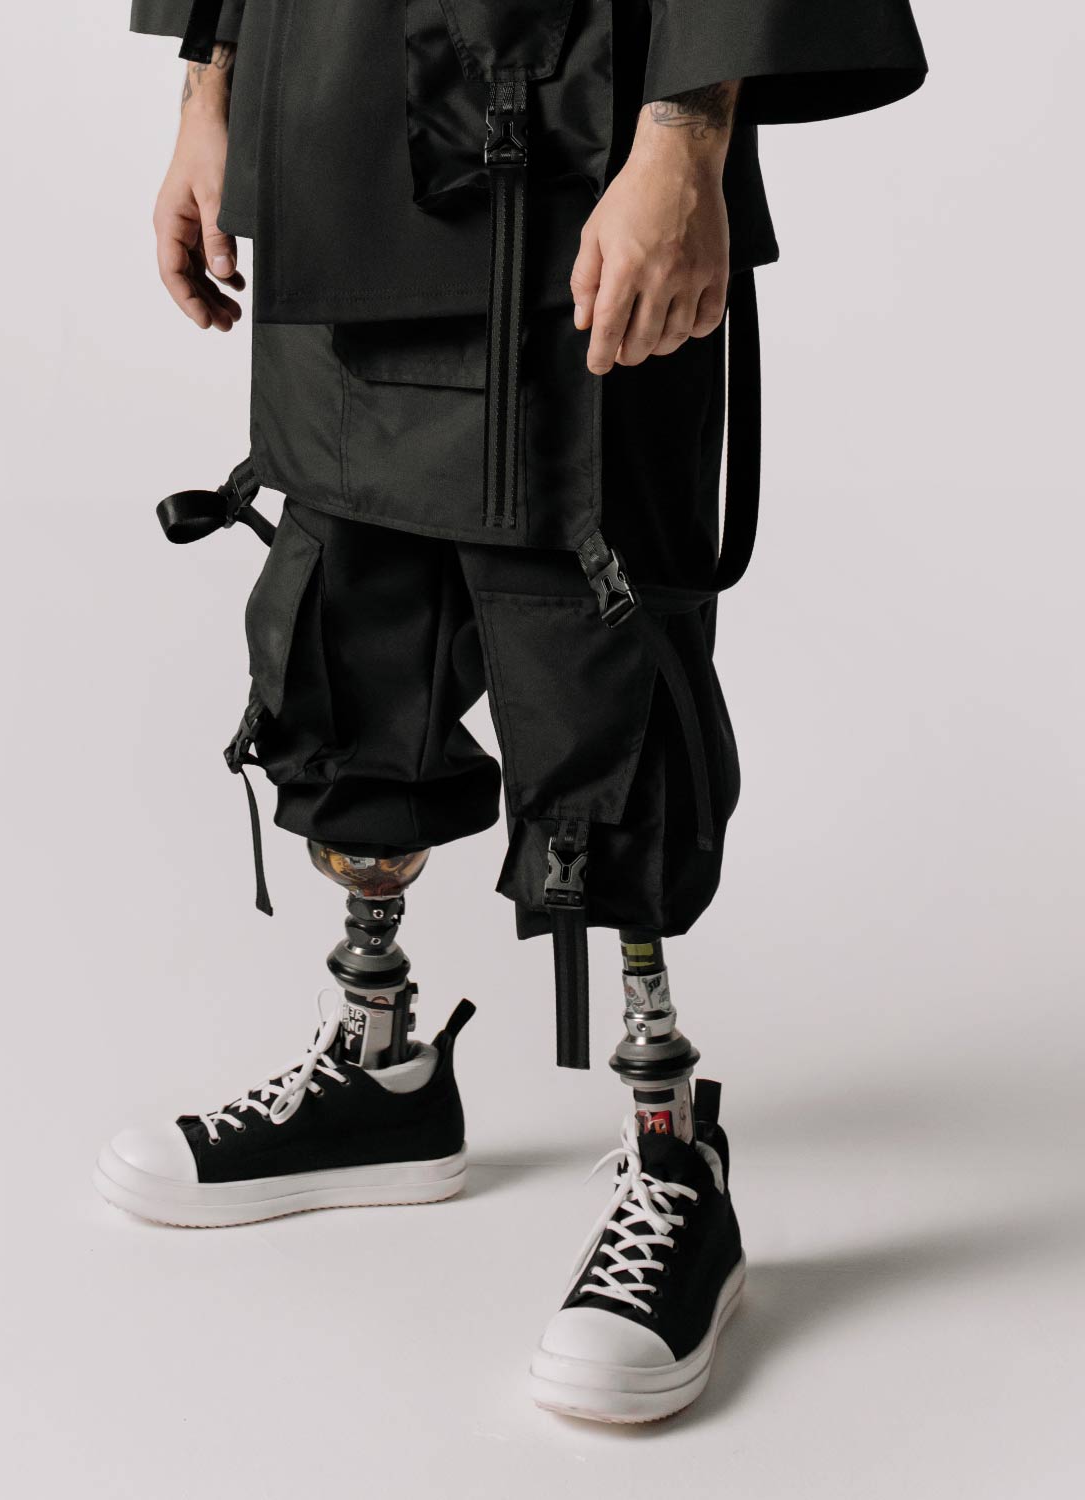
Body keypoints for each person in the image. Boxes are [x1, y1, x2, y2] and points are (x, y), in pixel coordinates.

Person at [95, 0, 927, 1423]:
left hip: (575, 138)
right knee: (346, 605)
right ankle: (379, 1071)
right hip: (330, 111)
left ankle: (673, 1156)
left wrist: (687, 137)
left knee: (594, 652)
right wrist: (207, 82)